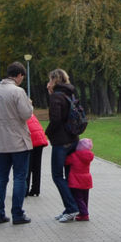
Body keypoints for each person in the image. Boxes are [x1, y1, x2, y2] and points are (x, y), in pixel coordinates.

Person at [0, 62, 33, 225]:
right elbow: (26, 114)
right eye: (22, 77)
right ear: (19, 75)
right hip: (18, 141)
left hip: (1, 141)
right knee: (20, 177)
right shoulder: (18, 91)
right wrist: (30, 105)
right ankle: (17, 213)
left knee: (1, 177)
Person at [45, 68, 81, 222]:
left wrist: (48, 133)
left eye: (50, 80)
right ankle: (70, 207)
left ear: (54, 80)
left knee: (57, 176)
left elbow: (55, 120)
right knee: (69, 176)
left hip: (61, 141)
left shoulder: (56, 97)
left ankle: (72, 208)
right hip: (74, 138)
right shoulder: (71, 92)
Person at [65, 137, 94, 221]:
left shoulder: (74, 156)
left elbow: (66, 161)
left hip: (76, 180)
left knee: (78, 198)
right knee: (85, 198)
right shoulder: (89, 156)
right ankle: (83, 212)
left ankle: (84, 214)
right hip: (86, 179)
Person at [25, 113, 48, 197]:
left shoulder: (20, 113)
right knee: (37, 166)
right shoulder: (31, 113)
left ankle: (25, 190)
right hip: (39, 139)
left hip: (32, 141)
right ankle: (36, 189)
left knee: (28, 166)